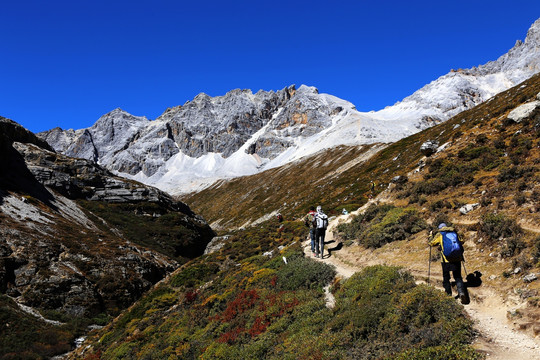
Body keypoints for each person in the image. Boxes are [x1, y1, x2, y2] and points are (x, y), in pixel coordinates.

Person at [429, 223, 467, 302]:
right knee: (458, 277)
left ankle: (448, 296)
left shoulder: (440, 234)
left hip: (446, 260)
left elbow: (431, 243)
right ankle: (462, 293)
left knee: (446, 278)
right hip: (457, 259)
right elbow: (462, 241)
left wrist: (430, 235)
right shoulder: (454, 232)